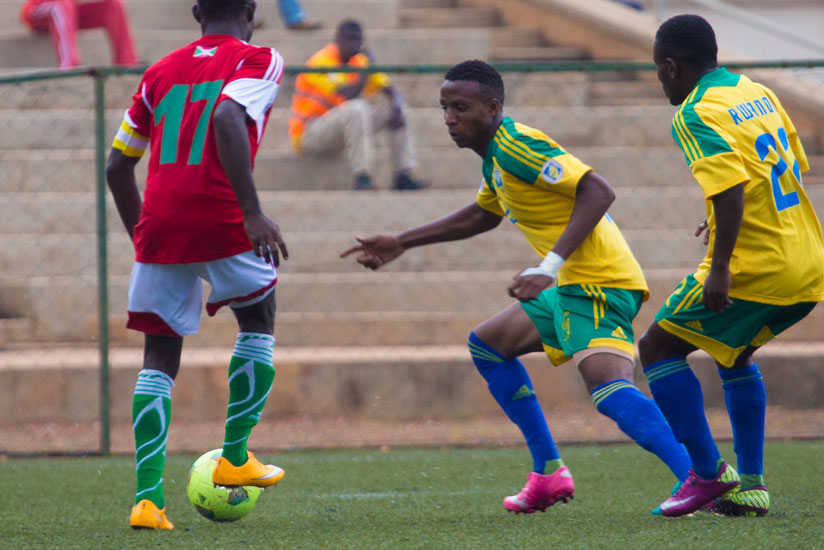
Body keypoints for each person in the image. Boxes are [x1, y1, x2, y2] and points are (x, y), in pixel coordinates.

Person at [341, 59, 692, 514]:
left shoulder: (517, 145)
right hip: (573, 284)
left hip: (597, 281)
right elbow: (484, 214)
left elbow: (598, 191)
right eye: (444, 107)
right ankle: (548, 472)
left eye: (460, 107)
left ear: (492, 107)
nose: (449, 118)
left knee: (607, 386)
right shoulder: (495, 159)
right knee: (489, 345)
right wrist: (402, 242)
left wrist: (548, 266)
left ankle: (697, 478)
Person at [106, 0, 289, 530]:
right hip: (220, 215)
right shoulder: (258, 59)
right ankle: (234, 459)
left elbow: (119, 165)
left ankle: (147, 502)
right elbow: (229, 116)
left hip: (159, 223)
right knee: (257, 319)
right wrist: (252, 213)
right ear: (251, 10)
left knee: (158, 356)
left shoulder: (159, 72)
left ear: (194, 13)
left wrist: (145, 237)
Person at [640, 14, 824, 518]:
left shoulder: (694, 113)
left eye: (659, 70)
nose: (661, 79)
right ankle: (753, 486)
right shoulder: (754, 91)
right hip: (807, 261)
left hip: (757, 266)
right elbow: (783, 168)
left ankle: (708, 473)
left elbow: (728, 188)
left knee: (657, 348)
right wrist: (719, 220)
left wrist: (720, 266)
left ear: (673, 67)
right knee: (733, 353)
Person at [289, 19, 427, 190]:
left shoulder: (358, 61)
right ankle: (362, 176)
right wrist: (365, 70)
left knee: (397, 109)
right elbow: (348, 96)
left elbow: (389, 89)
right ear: (338, 39)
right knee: (357, 108)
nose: (355, 44)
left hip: (342, 128)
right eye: (350, 39)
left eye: (358, 40)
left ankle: (403, 175)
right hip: (310, 133)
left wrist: (396, 103)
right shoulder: (321, 62)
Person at [20, 0, 138, 69]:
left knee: (113, 5)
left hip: (71, 12)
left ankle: (126, 63)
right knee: (61, 5)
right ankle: (68, 66)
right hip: (39, 11)